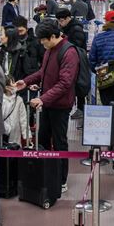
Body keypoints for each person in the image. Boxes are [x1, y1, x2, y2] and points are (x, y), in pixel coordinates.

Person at [16, 20, 79, 193]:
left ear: (53, 36)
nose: (42, 44)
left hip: (60, 105)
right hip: (47, 103)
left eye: (44, 40)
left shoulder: (69, 52)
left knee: (59, 142)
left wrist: (43, 98)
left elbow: (65, 83)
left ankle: (61, 179)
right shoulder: (50, 50)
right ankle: (45, 174)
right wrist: (26, 81)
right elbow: (43, 72)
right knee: (42, 140)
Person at [2, 76, 28, 145]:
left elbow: (23, 119)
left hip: (15, 135)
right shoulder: (0, 100)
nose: (15, 84)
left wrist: (26, 135)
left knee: (15, 152)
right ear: (6, 87)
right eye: (12, 82)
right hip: (2, 134)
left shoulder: (19, 100)